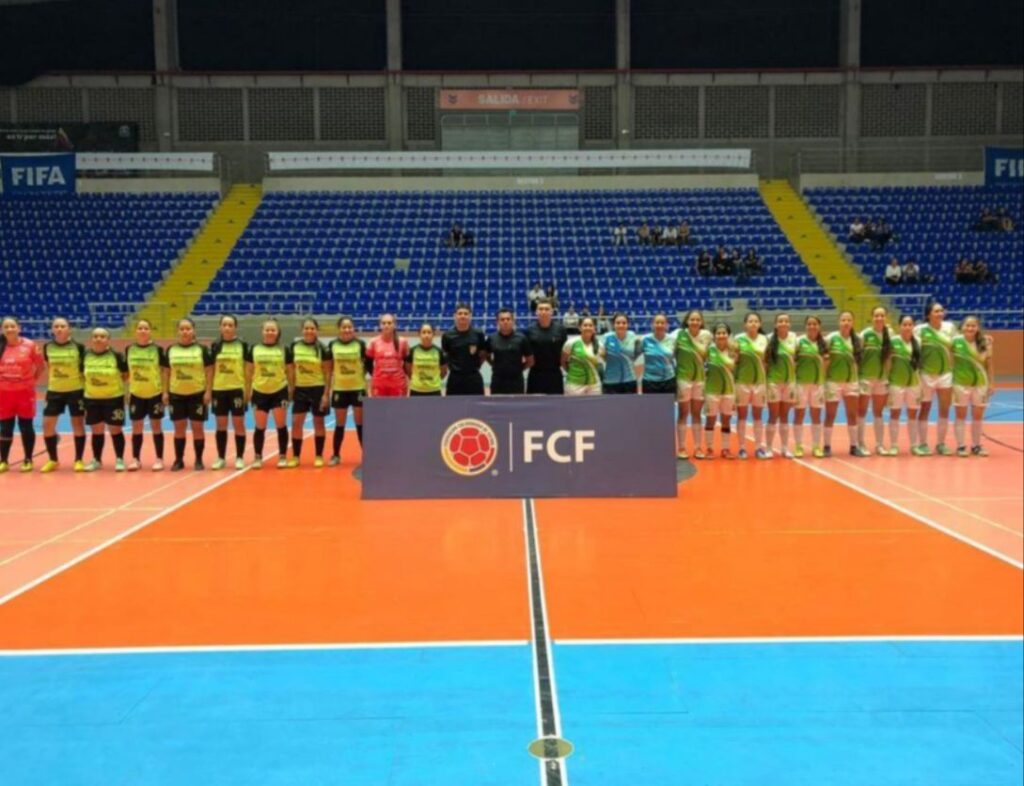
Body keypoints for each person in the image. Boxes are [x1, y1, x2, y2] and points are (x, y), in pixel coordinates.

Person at [163, 317, 214, 471]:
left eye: (188, 329)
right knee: (179, 428)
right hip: (176, 395)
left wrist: (208, 391)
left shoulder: (202, 350)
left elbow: (209, 371)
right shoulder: (171, 349)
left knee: (197, 427)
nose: (185, 332)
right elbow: (166, 373)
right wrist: (165, 392)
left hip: (197, 394)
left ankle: (198, 459)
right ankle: (179, 460)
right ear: (178, 331)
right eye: (182, 329)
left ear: (193, 331)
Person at [41, 316, 87, 473]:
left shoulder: (78, 347)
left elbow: (83, 370)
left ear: (69, 329)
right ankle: (53, 460)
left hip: (75, 390)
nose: (59, 329)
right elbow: (49, 367)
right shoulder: (47, 347)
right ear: (52, 329)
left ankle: (79, 460)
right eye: (56, 326)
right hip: (54, 391)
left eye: (62, 326)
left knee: (78, 425)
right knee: (47, 425)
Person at [246, 318, 293, 469]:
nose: (270, 332)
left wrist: (291, 389)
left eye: (273, 330)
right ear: (262, 332)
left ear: (278, 332)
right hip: (259, 391)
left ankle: (282, 456)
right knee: (260, 426)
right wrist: (248, 390)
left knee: (281, 425)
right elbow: (248, 371)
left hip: (279, 391)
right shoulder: (253, 349)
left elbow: (291, 371)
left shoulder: (284, 349)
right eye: (267, 329)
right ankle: (258, 457)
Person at [81, 327, 129, 473]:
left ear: (108, 340)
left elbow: (126, 374)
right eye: (95, 336)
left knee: (115, 429)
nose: (99, 339)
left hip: (113, 398)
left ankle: (120, 459)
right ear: (91, 339)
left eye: (102, 336)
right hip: (92, 398)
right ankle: (97, 459)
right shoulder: (85, 356)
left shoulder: (117, 355)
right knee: (97, 430)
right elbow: (82, 375)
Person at [0, 316, 45, 473]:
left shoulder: (30, 345)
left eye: (12, 326)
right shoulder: (0, 346)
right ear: (2, 329)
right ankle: (3, 460)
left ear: (19, 328)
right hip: (4, 394)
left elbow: (40, 365)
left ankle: (28, 459)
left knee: (26, 426)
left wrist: (32, 380)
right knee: (5, 427)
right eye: (6, 327)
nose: (9, 329)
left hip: (25, 393)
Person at [914, 301, 957, 456]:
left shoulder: (950, 328)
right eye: (936, 311)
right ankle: (923, 443)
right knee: (924, 409)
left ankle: (941, 444)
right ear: (928, 314)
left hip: (945, 374)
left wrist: (982, 339)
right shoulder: (919, 330)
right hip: (926, 374)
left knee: (944, 410)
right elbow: (913, 350)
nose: (940, 313)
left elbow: (958, 345)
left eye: (941, 311)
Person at [823, 311, 867, 458]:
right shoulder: (830, 338)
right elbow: (824, 358)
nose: (846, 323)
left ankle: (854, 446)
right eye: (843, 320)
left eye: (849, 320)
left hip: (851, 382)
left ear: (852, 322)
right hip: (833, 382)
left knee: (852, 414)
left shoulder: (858, 339)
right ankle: (827, 446)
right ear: (839, 322)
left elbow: (859, 361)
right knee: (830, 414)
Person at [125, 318, 167, 472]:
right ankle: (136, 459)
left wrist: (164, 391)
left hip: (154, 393)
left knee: (156, 426)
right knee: (137, 427)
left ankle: (159, 459)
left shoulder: (157, 350)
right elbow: (127, 372)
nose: (143, 331)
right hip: (136, 393)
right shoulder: (129, 349)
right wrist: (127, 391)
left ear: (150, 331)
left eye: (145, 328)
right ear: (135, 331)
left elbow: (164, 371)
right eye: (140, 328)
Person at [209, 314, 249, 471]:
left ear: (235, 327)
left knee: (239, 424)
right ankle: (221, 457)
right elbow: (211, 369)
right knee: (221, 425)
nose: (227, 327)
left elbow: (247, 369)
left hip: (237, 389)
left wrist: (247, 388)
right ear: (220, 327)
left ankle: (239, 457)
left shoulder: (242, 345)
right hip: (219, 390)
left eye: (230, 325)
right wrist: (209, 389)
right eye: (224, 325)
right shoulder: (215, 345)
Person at [290, 318, 331, 468]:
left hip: (318, 389)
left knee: (318, 422)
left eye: (312, 328)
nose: (309, 331)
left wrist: (326, 394)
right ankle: (295, 456)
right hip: (300, 389)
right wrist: (291, 388)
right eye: (306, 328)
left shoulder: (323, 349)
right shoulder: (295, 346)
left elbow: (328, 373)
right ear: (302, 330)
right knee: (296, 423)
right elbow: (291, 369)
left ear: (316, 330)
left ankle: (319, 455)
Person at [328, 316, 369, 465]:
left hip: (357, 389)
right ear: (339, 329)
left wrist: (359, 378)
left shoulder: (360, 344)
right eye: (344, 327)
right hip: (340, 389)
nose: (347, 330)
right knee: (340, 424)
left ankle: (367, 455)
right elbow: (329, 368)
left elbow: (367, 366)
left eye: (349, 327)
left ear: (353, 328)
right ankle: (336, 455)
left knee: (360, 424)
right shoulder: (333, 345)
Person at [952, 316, 994, 457]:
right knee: (960, 416)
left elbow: (989, 365)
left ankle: (976, 446)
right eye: (967, 325)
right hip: (960, 383)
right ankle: (960, 446)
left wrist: (991, 383)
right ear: (962, 327)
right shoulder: (955, 341)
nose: (970, 328)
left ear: (977, 328)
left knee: (977, 417)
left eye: (973, 326)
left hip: (980, 384)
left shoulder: (985, 343)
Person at [674, 310, 712, 460]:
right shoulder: (678, 334)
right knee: (683, 413)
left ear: (701, 322)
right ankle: (681, 447)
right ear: (687, 321)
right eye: (692, 319)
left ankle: (697, 447)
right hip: (683, 379)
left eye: (697, 319)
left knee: (696, 414)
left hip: (700, 380)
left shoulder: (707, 336)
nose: (695, 322)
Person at [858, 307, 893, 456]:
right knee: (862, 412)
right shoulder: (865, 334)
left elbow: (889, 359)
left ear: (886, 317)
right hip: (865, 378)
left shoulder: (889, 335)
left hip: (881, 379)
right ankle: (861, 443)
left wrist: (888, 378)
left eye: (882, 315)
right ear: (871, 317)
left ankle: (879, 444)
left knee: (878, 413)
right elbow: (858, 357)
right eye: (876, 315)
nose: (879, 318)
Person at [734, 312, 769, 460]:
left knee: (757, 416)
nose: (753, 324)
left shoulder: (764, 339)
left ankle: (758, 447)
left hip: (759, 383)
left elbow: (766, 362)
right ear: (745, 324)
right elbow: (734, 361)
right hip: (742, 382)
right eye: (750, 321)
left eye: (756, 321)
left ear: (760, 324)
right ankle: (742, 448)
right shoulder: (738, 339)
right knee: (742, 416)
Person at [793, 315, 828, 458]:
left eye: (815, 324)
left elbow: (826, 364)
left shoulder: (823, 344)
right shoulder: (799, 342)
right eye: (809, 324)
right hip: (801, 384)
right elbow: (793, 363)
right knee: (799, 415)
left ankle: (816, 446)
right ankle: (798, 446)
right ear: (805, 326)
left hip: (817, 384)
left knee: (816, 416)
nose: (812, 326)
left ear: (819, 326)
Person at [887, 315, 922, 457]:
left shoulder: (918, 342)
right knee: (895, 414)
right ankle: (894, 445)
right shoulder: (893, 341)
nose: (907, 327)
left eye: (910, 324)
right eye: (904, 324)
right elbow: (888, 361)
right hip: (896, 382)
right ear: (899, 326)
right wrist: (887, 381)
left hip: (914, 383)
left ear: (913, 326)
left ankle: (914, 445)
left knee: (913, 415)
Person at [765, 313, 798, 458]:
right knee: (773, 415)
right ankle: (769, 448)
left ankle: (785, 448)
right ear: (775, 324)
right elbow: (765, 362)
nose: (783, 323)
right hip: (773, 382)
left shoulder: (794, 338)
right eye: (780, 321)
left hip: (789, 382)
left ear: (789, 324)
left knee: (785, 415)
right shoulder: (768, 339)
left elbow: (796, 359)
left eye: (786, 321)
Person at [703, 323, 737, 459]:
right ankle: (710, 448)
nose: (721, 335)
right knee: (710, 420)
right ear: (714, 336)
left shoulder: (733, 351)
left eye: (724, 333)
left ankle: (725, 449)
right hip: (712, 390)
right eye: (718, 333)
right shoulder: (708, 351)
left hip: (728, 390)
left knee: (726, 420)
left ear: (728, 335)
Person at [442, 304, 487, 395]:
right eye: (460, 313)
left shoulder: (478, 333)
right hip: (455, 378)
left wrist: (476, 365)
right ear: (455, 316)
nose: (463, 316)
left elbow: (483, 354)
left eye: (466, 314)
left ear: (470, 316)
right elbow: (446, 355)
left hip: (474, 377)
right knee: (454, 407)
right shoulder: (447, 335)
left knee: (477, 407)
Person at [526, 299, 568, 395]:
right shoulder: (529, 330)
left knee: (557, 407)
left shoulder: (561, 330)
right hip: (535, 375)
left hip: (555, 375)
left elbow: (565, 354)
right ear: (536, 312)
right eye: (540, 309)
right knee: (534, 407)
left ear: (552, 311)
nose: (543, 312)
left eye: (546, 309)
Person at [486, 309, 532, 395]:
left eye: (508, 319)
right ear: (497, 322)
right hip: (497, 380)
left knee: (517, 407)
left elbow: (530, 360)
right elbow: (486, 356)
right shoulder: (491, 338)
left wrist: (519, 369)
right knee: (496, 407)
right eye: (502, 319)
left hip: (516, 380)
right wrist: (495, 365)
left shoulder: (522, 338)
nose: (505, 322)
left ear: (513, 321)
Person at [367, 314, 409, 398]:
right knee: (379, 410)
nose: (386, 325)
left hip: (398, 385)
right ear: (380, 325)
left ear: (394, 325)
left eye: (389, 323)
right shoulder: (373, 342)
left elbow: (407, 364)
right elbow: (368, 363)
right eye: (384, 323)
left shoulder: (403, 342)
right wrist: (377, 376)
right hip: (379, 385)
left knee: (397, 410)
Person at [562, 317, 603, 396]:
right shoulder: (570, 343)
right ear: (580, 327)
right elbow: (563, 362)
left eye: (590, 325)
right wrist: (574, 374)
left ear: (594, 328)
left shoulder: (600, 345)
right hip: (574, 385)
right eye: (585, 325)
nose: (588, 327)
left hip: (594, 385)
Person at [637, 314, 677, 396]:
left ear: (666, 325)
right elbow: (633, 356)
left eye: (662, 323)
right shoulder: (645, 340)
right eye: (657, 322)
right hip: (649, 382)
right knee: (650, 408)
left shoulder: (673, 340)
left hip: (668, 380)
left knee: (667, 408)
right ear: (652, 325)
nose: (659, 325)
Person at [600, 313, 639, 394]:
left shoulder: (632, 336)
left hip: (630, 380)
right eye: (618, 323)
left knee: (629, 406)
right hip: (610, 381)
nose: (621, 325)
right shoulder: (606, 337)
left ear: (628, 324)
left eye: (624, 323)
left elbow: (636, 354)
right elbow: (602, 356)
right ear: (613, 324)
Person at [406, 323, 447, 396]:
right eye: (424, 332)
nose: (426, 335)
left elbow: (443, 371)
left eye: (429, 332)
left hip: (434, 390)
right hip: (416, 390)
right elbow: (408, 369)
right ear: (419, 334)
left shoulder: (439, 351)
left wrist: (433, 381)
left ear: (433, 334)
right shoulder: (412, 350)